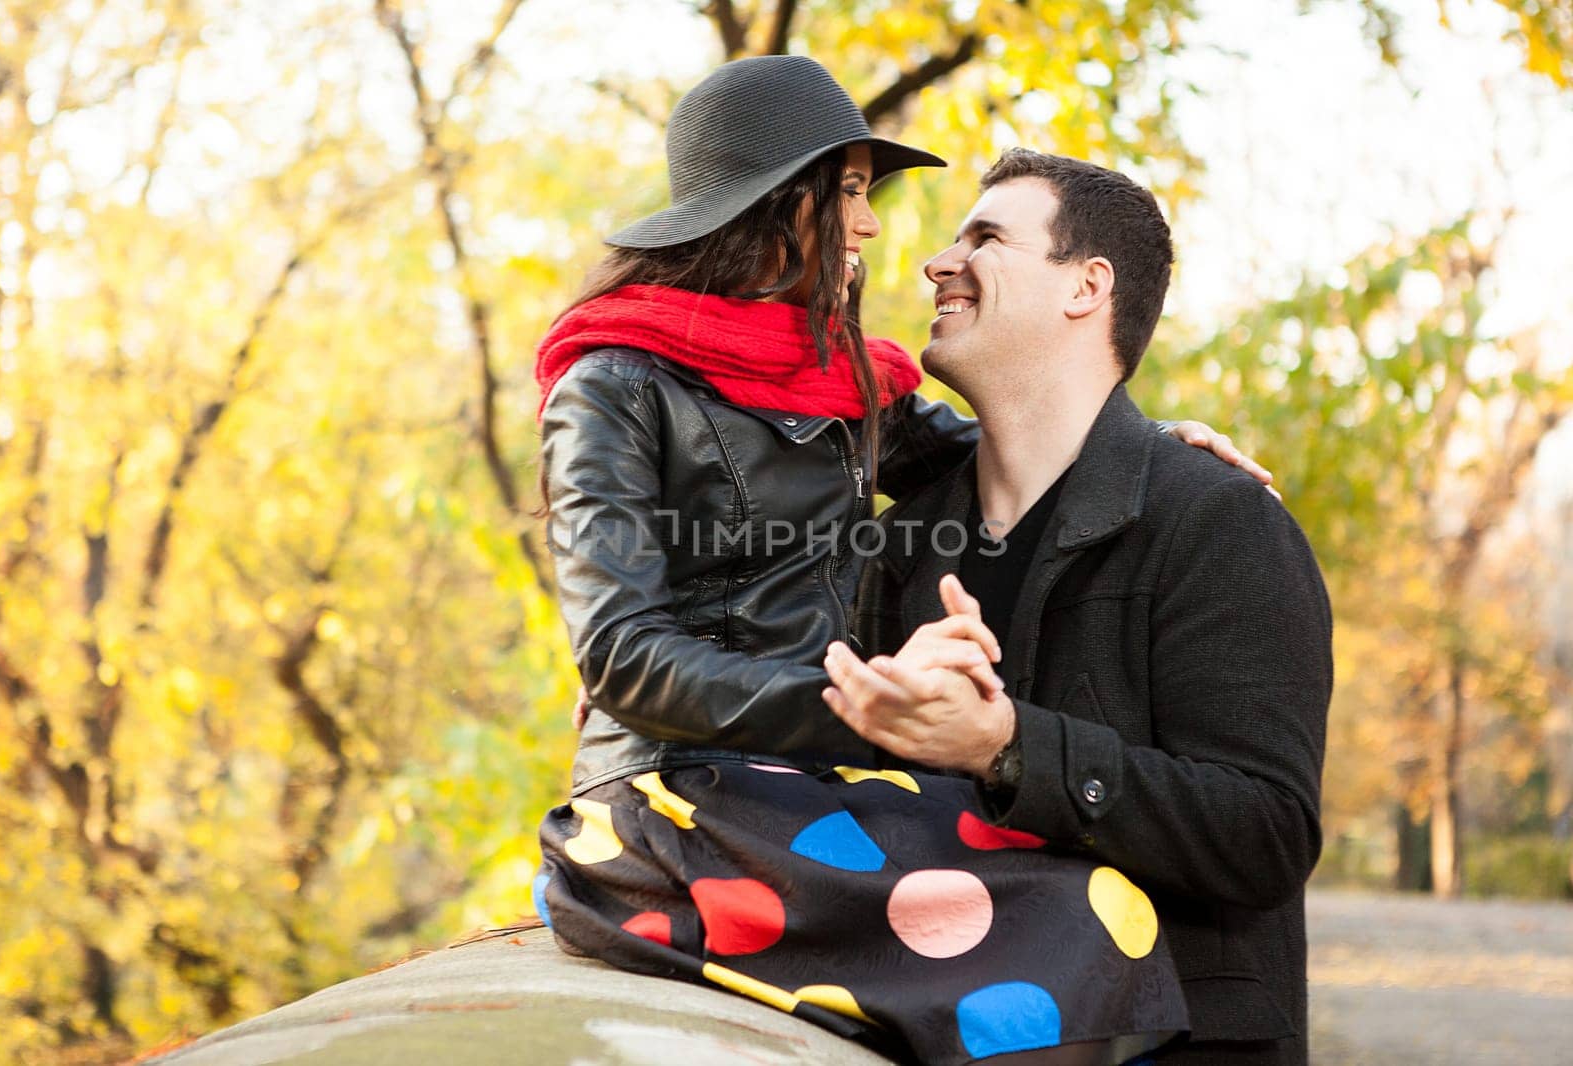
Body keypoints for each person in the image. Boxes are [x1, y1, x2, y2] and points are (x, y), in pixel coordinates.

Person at [532, 55, 1266, 1066]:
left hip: (813, 787)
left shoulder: (842, 385)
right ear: (769, 204)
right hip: (671, 803)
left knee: (1102, 900)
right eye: (845, 192)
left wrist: (1155, 450)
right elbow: (618, 654)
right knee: (1064, 929)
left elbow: (1003, 452)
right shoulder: (610, 386)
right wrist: (862, 700)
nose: (870, 223)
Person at [825, 150, 1334, 1065]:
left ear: (1087, 287)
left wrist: (1006, 745)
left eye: (984, 238)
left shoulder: (1215, 519)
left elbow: (1265, 831)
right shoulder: (899, 544)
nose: (938, 263)